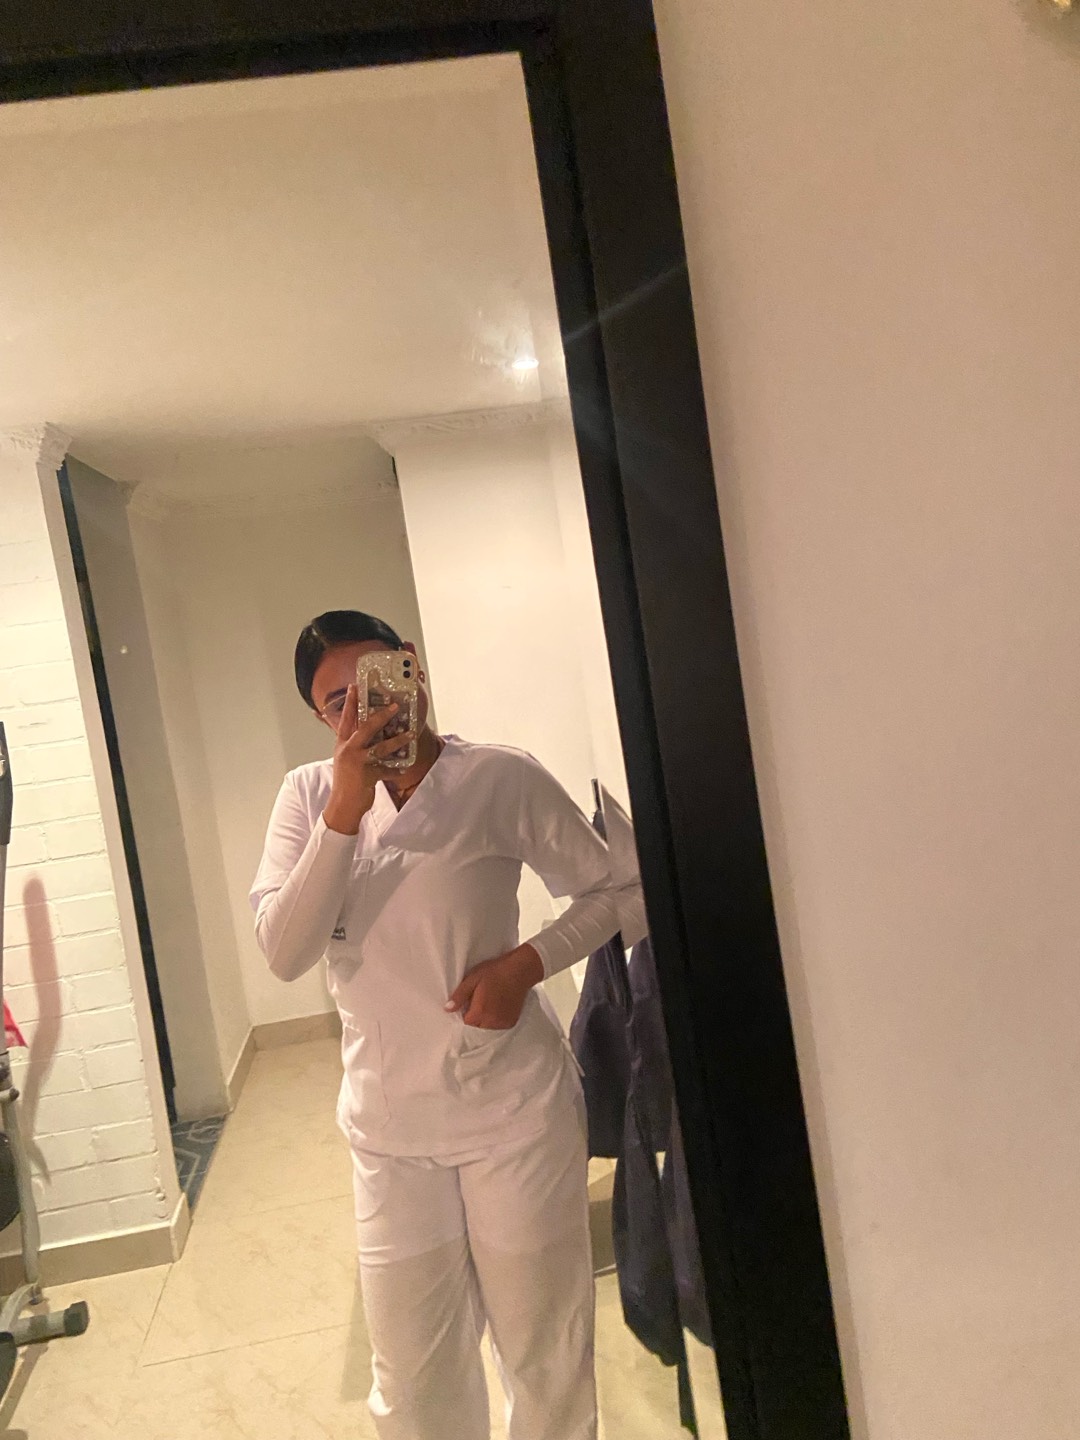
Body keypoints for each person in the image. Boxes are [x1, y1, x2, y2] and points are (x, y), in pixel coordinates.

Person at [250, 610, 645, 1440]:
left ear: (412, 667)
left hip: (512, 1112)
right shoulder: (309, 796)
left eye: (374, 679)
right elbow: (284, 952)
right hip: (389, 1131)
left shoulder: (498, 778)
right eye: (335, 703)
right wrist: (345, 810)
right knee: (413, 1379)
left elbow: (618, 889)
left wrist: (528, 963)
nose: (362, 709)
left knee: (543, 1354)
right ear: (320, 718)